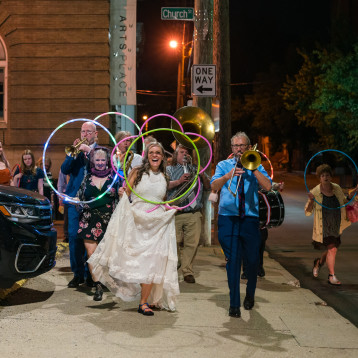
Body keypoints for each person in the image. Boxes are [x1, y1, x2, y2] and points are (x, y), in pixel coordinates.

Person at [88, 141, 179, 316]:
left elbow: (161, 200)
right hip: (138, 221)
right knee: (138, 262)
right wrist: (123, 194)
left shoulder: (164, 176)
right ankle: (140, 294)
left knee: (153, 263)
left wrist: (170, 208)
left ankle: (143, 302)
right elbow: (127, 193)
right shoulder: (137, 172)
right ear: (147, 155)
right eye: (152, 152)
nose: (155, 155)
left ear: (162, 156)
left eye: (158, 153)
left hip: (157, 225)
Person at [211, 132, 272, 318]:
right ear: (232, 148)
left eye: (242, 146)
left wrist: (253, 168)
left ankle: (250, 294)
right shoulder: (223, 165)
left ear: (248, 147)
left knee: (252, 262)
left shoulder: (256, 164)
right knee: (233, 261)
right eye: (235, 146)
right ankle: (234, 304)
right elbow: (214, 185)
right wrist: (228, 176)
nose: (239, 149)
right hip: (228, 218)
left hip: (249, 219)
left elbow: (268, 187)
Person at [75, 147, 120, 301]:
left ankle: (109, 280)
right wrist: (75, 200)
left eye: (103, 160)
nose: (100, 163)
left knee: (108, 256)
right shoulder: (86, 178)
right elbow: (79, 197)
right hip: (89, 219)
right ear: (93, 161)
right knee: (91, 255)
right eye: (97, 160)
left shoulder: (115, 178)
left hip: (109, 220)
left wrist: (123, 193)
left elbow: (122, 199)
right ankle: (98, 285)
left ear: (107, 161)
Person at [61, 121, 98, 288]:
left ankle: (91, 274)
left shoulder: (100, 151)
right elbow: (64, 169)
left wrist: (89, 151)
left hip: (92, 201)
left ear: (96, 134)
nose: (85, 135)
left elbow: (101, 166)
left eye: (89, 132)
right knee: (74, 237)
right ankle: (77, 274)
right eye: (83, 131)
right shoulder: (75, 151)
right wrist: (73, 154)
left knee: (91, 239)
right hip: (74, 200)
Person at [166, 144, 211, 283]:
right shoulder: (169, 169)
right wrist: (179, 181)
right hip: (176, 212)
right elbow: (164, 185)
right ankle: (178, 263)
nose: (184, 154)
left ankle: (187, 271)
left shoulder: (196, 169)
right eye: (181, 152)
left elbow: (209, 187)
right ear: (175, 154)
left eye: (187, 152)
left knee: (192, 243)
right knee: (175, 242)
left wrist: (202, 176)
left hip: (194, 212)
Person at [305, 164, 352, 285]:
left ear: (331, 177)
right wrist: (311, 200)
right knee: (332, 248)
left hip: (336, 224)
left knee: (331, 249)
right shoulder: (315, 191)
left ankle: (319, 263)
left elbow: (344, 201)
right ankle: (331, 276)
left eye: (327, 175)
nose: (325, 177)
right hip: (323, 226)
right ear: (319, 178)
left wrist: (354, 192)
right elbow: (308, 211)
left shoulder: (336, 188)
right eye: (322, 175)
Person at [242, 181, 285, 279]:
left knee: (260, 241)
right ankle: (246, 269)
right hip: (244, 207)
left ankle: (259, 266)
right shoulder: (237, 170)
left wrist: (276, 185)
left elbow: (266, 182)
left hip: (259, 208)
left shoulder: (258, 170)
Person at [57, 169, 69, 243]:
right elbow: (60, 184)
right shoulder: (63, 169)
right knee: (66, 216)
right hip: (66, 194)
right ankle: (66, 235)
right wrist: (60, 197)